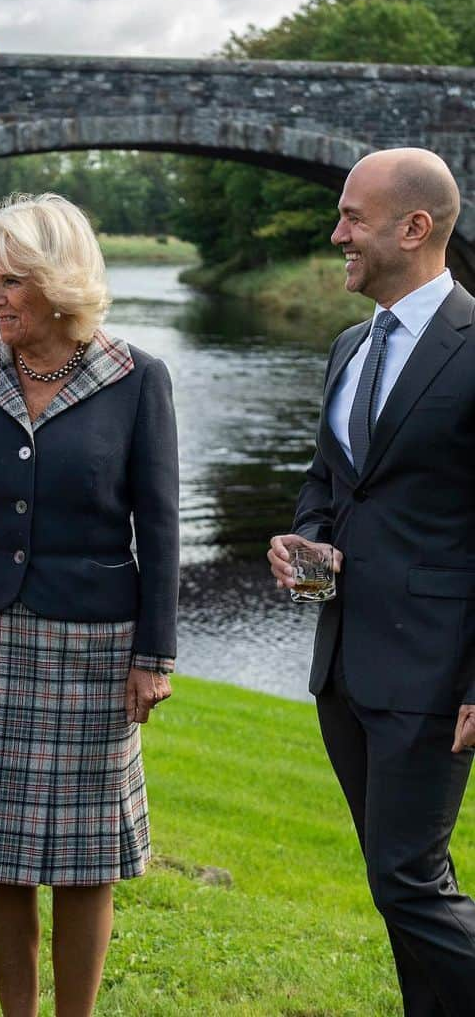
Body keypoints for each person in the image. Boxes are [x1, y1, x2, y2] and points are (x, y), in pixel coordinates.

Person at [0, 192, 178, 1015]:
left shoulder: (137, 378)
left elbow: (160, 528)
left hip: (94, 641)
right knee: (0, 850)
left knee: (87, 854)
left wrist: (153, 656)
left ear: (60, 282)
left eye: (12, 280)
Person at [268, 148, 475, 1014]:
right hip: (345, 665)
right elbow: (329, 479)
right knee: (404, 877)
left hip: (436, 668)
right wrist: (304, 538)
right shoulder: (351, 345)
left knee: (406, 882)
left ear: (414, 228)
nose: (337, 232)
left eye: (354, 217)